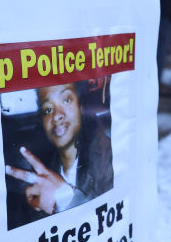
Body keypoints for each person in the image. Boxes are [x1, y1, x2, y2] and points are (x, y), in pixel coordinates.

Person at [6, 82, 113, 215]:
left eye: (66, 100)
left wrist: (66, 199)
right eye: (48, 110)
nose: (56, 116)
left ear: (81, 106)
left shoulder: (108, 157)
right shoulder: (41, 176)